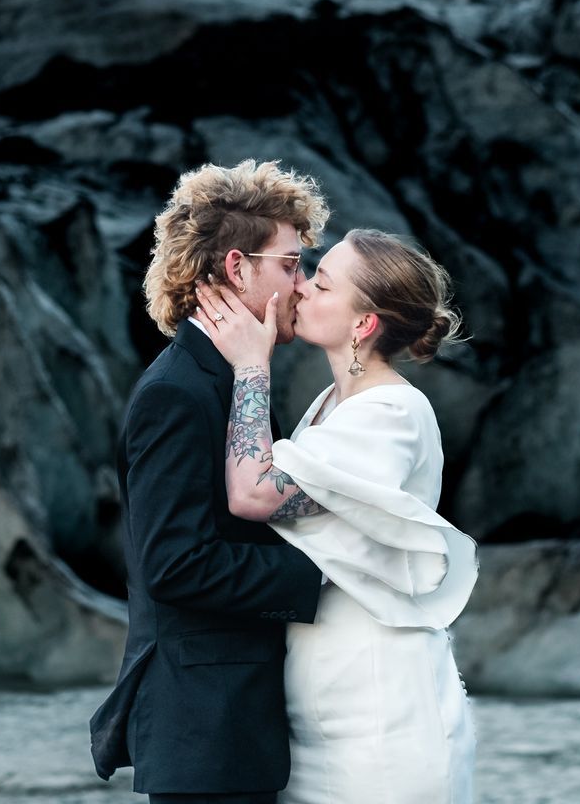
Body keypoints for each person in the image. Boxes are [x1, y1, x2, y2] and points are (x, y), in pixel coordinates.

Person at [191, 228, 477, 804]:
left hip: (380, 720)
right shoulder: (331, 405)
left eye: (320, 283)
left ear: (362, 325)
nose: (299, 289)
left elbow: (254, 493)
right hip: (322, 711)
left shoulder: (391, 413)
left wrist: (251, 367)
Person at [91, 159, 331, 804]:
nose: (303, 284)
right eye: (289, 264)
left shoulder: (227, 378)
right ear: (236, 267)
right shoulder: (177, 392)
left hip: (231, 727)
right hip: (205, 732)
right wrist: (326, 576)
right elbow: (174, 564)